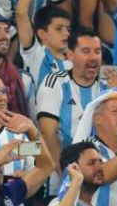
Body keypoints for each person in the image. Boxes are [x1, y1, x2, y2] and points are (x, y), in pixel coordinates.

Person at [35, 29, 110, 161]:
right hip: (62, 166)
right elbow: (49, 136)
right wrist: (65, 174)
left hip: (102, 166)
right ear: (70, 55)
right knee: (23, 148)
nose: (93, 57)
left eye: (97, 52)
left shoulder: (108, 87)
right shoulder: (54, 83)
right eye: (86, 51)